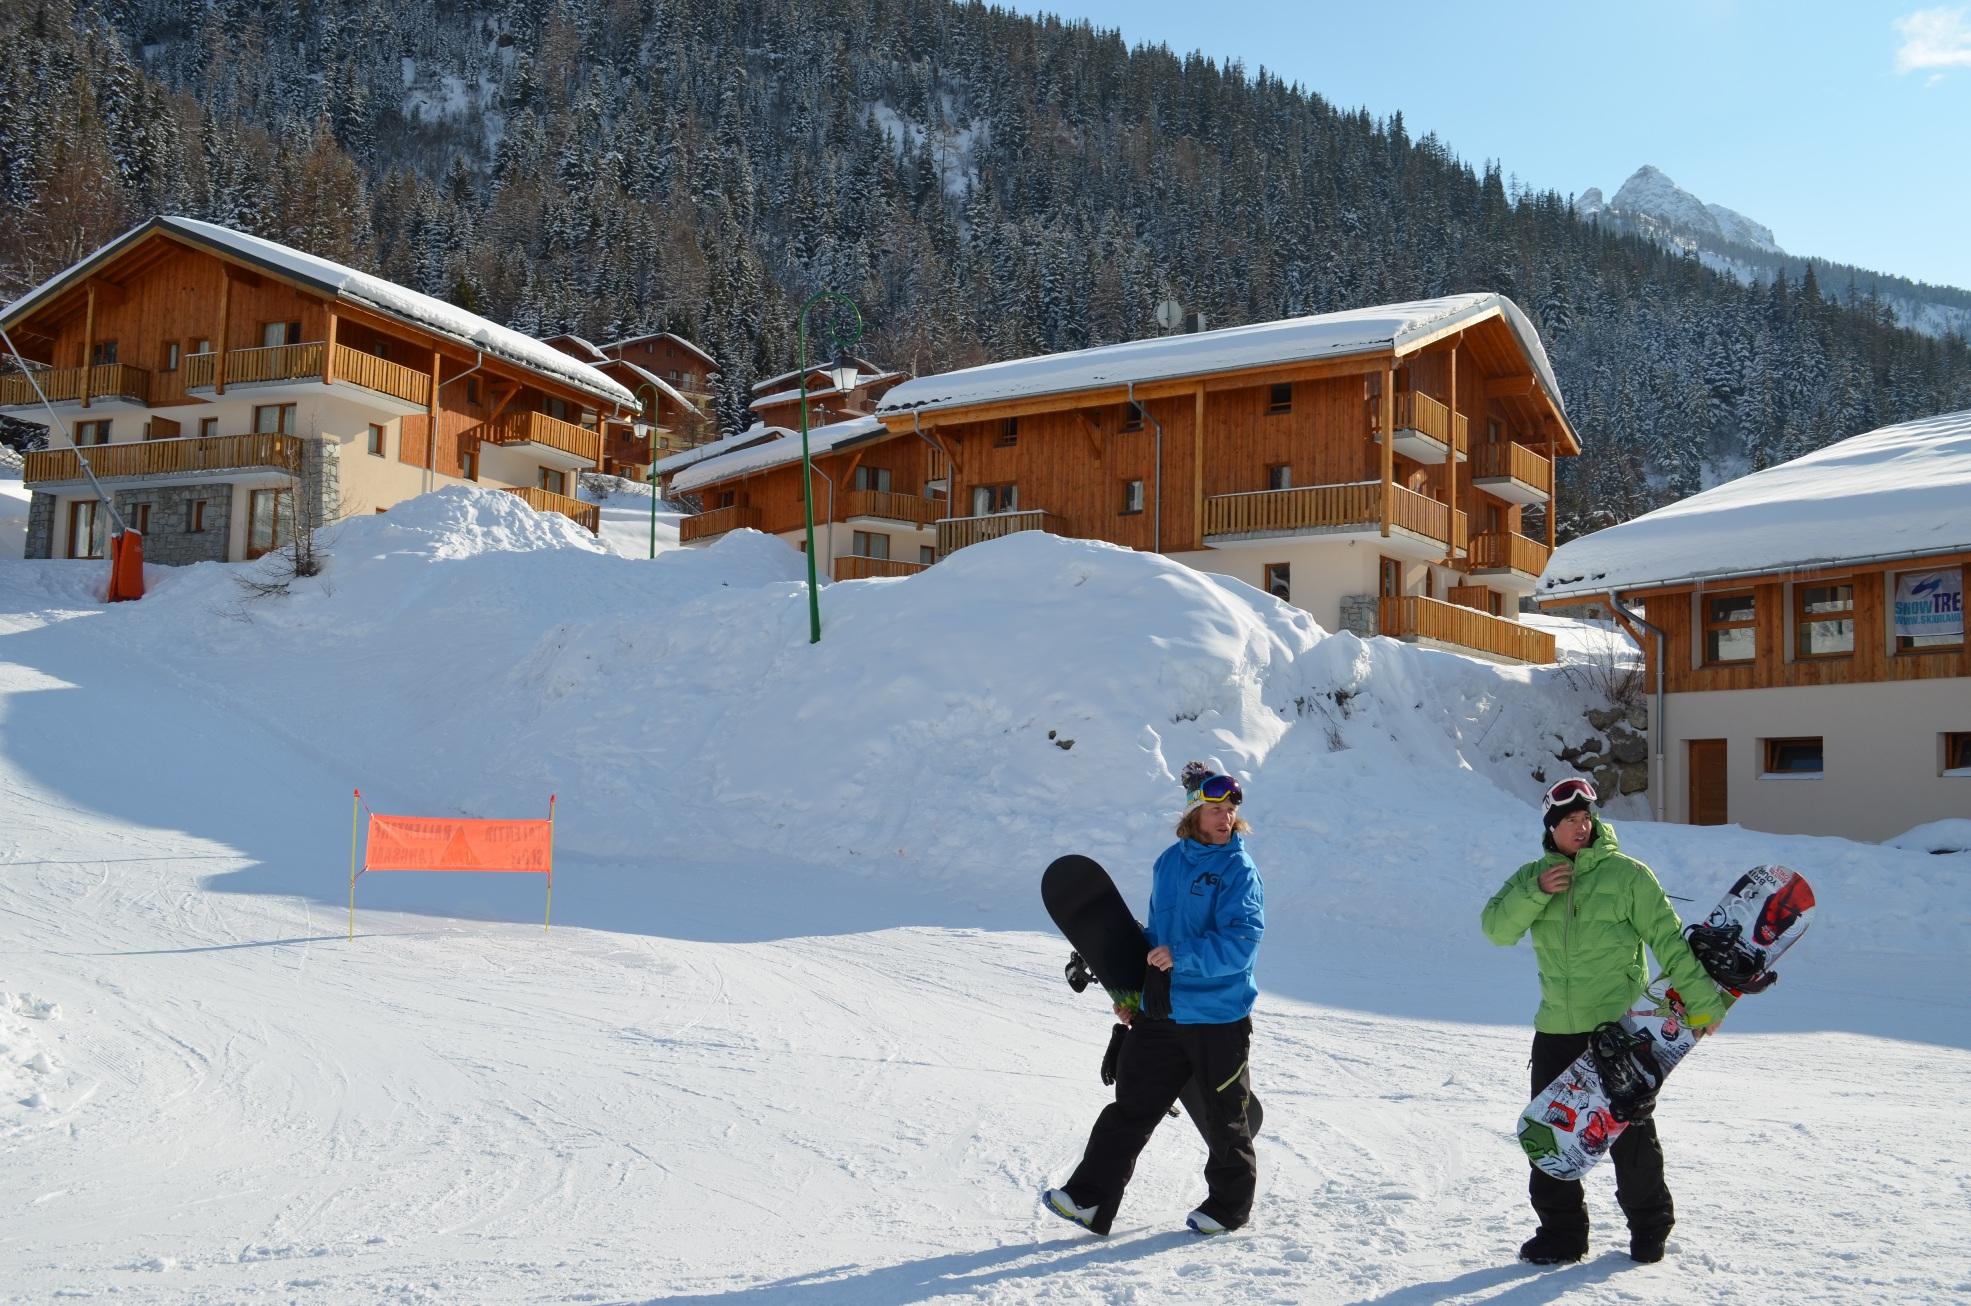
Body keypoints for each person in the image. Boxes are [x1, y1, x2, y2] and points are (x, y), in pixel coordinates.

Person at [1481, 776, 1729, 1266]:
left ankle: (1649, 1230)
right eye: (1569, 820)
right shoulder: (1534, 876)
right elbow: (1495, 929)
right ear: (1551, 827)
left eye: (1585, 818)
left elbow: (1670, 942)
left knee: (1632, 1137)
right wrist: (1535, 891)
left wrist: (1704, 1005)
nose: (1580, 826)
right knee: (1550, 1135)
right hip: (1555, 1029)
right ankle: (1562, 1234)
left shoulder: (1627, 876)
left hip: (1619, 1033)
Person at [1043, 761, 1265, 1237]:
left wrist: (1179, 957)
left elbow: (1241, 943)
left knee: (1225, 1117)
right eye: (1214, 810)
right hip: (1162, 1010)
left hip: (1217, 1016)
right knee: (1130, 1108)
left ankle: (1228, 1209)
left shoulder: (1239, 871)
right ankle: (1089, 1200)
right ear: (1194, 814)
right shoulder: (1168, 863)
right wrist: (1124, 978)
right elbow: (1158, 938)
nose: (1225, 819)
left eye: (1230, 811)